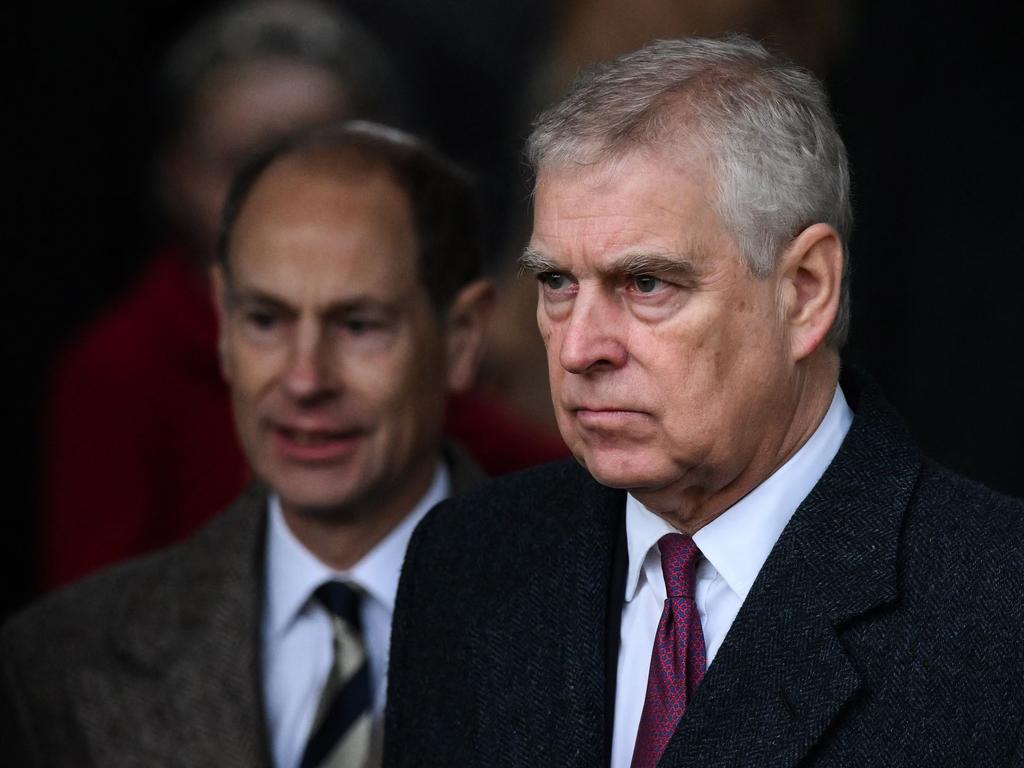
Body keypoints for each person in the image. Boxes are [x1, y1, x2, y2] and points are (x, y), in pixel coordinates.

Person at [383, 36, 1024, 767]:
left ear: (806, 289)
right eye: (557, 282)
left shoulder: (998, 608)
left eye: (646, 284)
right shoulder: (466, 565)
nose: (576, 347)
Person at [1, 122, 494, 767]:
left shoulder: (612, 633)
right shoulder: (58, 661)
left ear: (459, 338)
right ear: (222, 325)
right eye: (265, 320)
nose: (305, 379)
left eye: (358, 325)